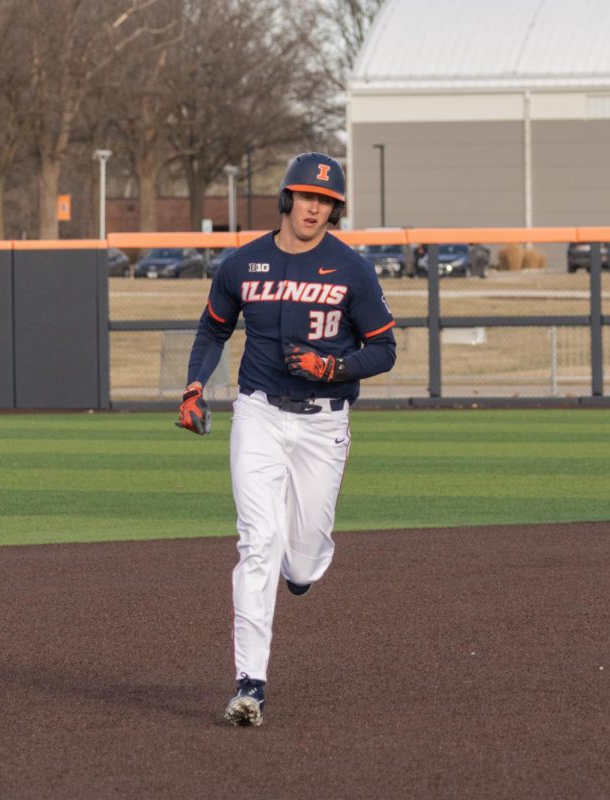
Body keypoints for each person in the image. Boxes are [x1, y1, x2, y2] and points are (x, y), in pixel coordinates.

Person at [177, 152, 397, 726]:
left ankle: (302, 568)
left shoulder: (352, 270)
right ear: (287, 199)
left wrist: (332, 368)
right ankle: (250, 682)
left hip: (323, 422)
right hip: (259, 415)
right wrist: (194, 387)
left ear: (334, 210)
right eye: (306, 196)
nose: (314, 207)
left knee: (298, 563)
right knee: (257, 542)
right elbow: (213, 328)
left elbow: (384, 349)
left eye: (325, 201)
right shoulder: (243, 264)